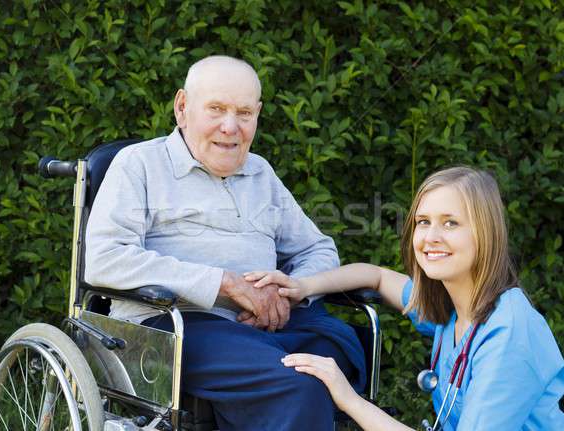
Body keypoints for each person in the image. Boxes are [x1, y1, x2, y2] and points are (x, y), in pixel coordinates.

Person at [84, 55, 366, 430]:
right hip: (176, 327)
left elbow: (317, 248)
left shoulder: (259, 172)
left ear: (257, 115)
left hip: (266, 327)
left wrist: (290, 292)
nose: (230, 127)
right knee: (300, 384)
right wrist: (224, 285)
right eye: (216, 109)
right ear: (182, 108)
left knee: (336, 356)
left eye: (244, 113)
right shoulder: (139, 165)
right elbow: (104, 258)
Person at [245, 166, 564, 430]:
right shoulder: (452, 308)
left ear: (485, 233)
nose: (431, 237)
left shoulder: (509, 334)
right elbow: (376, 276)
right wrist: (301, 287)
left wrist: (348, 398)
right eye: (423, 222)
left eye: (450, 223)